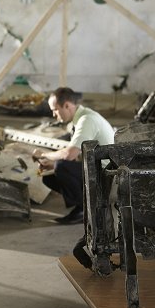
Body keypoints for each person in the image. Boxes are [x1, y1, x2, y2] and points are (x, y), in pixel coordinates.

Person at [33, 87, 115, 224]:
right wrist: (51, 164)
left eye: (55, 109)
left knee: (61, 166)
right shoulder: (80, 119)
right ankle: (83, 205)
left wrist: (44, 155)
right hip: (98, 169)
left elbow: (69, 154)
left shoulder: (86, 120)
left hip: (107, 176)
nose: (54, 115)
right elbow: (79, 155)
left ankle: (87, 209)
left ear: (67, 105)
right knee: (48, 177)